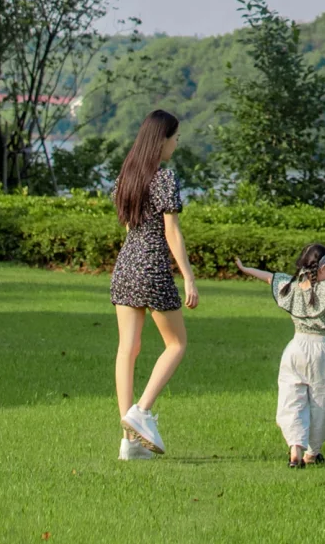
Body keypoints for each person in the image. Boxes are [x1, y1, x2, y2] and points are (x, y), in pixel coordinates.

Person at [235, 245, 325, 467]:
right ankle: (312, 454)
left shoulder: (291, 287)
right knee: (317, 400)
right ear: (322, 268)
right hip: (319, 350)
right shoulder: (323, 290)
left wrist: (245, 268)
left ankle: (295, 448)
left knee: (291, 396)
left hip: (294, 349)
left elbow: (269, 277)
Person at [110, 108, 199, 460]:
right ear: (161, 139)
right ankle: (141, 413)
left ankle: (127, 440)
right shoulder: (164, 178)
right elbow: (171, 231)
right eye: (175, 139)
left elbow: (130, 227)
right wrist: (189, 276)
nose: (176, 145)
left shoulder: (126, 177)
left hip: (126, 265)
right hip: (152, 267)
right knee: (176, 344)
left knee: (127, 350)